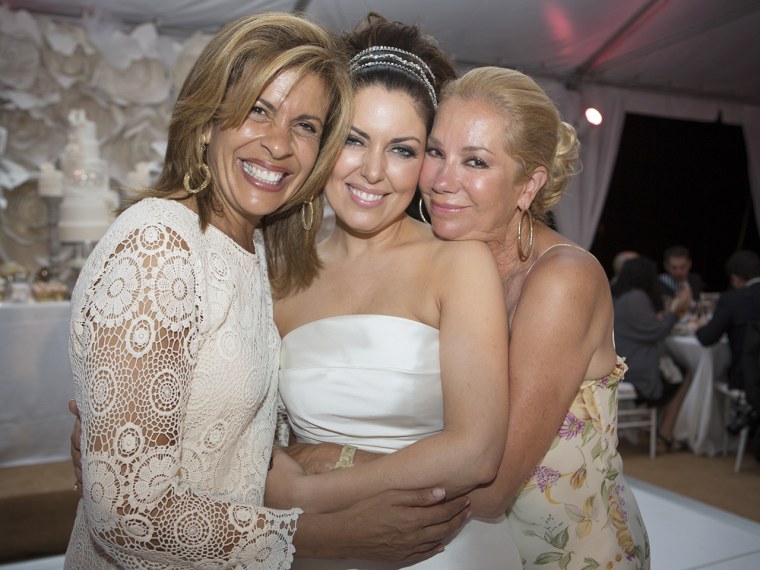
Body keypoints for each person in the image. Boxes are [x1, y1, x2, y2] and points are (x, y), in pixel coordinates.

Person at [64, 13, 470, 569]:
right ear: (207, 120)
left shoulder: (254, 249)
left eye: (305, 125)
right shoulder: (159, 241)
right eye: (258, 110)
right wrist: (327, 537)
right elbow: (128, 513)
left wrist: (324, 453)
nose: (279, 144)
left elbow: (238, 423)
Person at [266, 13, 521, 569]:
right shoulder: (279, 267)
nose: (373, 172)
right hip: (309, 550)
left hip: (430, 546)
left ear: (426, 162)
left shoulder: (457, 263)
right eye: (354, 140)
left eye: (403, 150)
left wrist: (308, 496)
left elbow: (476, 450)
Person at [418, 67, 650, 568]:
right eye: (435, 152)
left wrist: (335, 476)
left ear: (528, 185)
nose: (441, 180)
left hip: (567, 554)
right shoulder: (443, 261)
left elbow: (492, 490)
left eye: (474, 161)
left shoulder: (562, 281)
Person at [612, 256, 693, 452]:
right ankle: (664, 433)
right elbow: (656, 332)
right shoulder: (636, 297)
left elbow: (644, 325)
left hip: (621, 359)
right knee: (685, 372)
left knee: (675, 370)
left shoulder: (619, 294)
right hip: (635, 366)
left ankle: (651, 431)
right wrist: (676, 309)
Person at [696, 250, 760, 443]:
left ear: (735, 277)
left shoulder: (734, 298)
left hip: (747, 379)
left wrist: (700, 326)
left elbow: (707, 338)